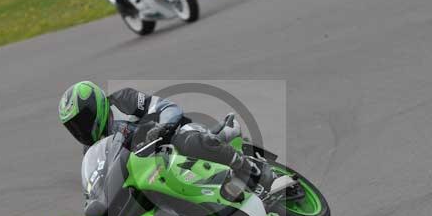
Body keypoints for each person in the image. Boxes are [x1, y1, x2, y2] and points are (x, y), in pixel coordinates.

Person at [58, 81, 273, 192]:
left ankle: (248, 168)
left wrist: (164, 127)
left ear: (96, 105)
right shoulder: (91, 150)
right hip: (149, 171)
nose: (81, 129)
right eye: (73, 127)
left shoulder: (123, 100)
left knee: (187, 141)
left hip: (171, 139)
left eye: (83, 119)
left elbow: (167, 107)